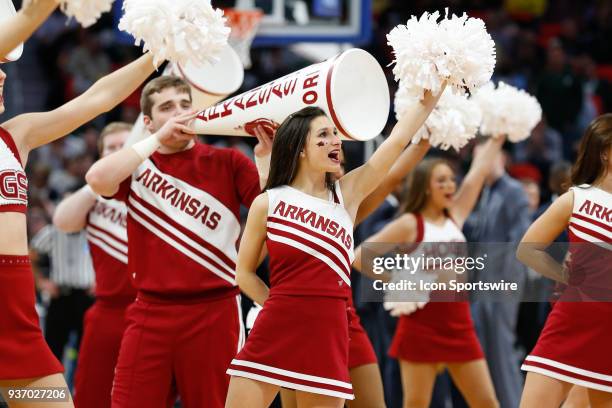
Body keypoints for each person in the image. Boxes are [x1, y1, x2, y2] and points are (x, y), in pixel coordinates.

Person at [224, 87, 442, 408]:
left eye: (336, 134)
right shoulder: (267, 202)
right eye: (323, 135)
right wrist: (278, 306)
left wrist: (432, 95)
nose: (335, 141)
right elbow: (244, 274)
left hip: (329, 330)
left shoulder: (347, 194)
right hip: (276, 325)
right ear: (300, 148)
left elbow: (396, 141)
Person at [85, 75, 273, 408]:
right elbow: (97, 178)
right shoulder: (139, 167)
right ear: (148, 121)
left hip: (215, 310)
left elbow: (274, 214)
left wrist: (264, 161)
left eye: (185, 105)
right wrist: (154, 140)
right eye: (167, 107)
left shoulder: (227, 160)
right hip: (149, 310)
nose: (179, 113)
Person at [0, 32, 155, 403]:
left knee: (47, 399)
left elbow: (96, 100)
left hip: (15, 306)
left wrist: (159, 55)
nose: (3, 76)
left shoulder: (14, 135)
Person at [353, 136, 506, 408]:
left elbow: (478, 172)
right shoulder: (411, 224)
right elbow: (360, 257)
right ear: (425, 188)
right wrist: (398, 280)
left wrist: (498, 136)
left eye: (451, 179)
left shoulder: (455, 215)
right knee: (416, 404)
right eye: (441, 181)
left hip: (459, 323)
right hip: (421, 325)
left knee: (487, 402)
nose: (450, 185)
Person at [517, 113, 612, 407]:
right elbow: (527, 249)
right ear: (606, 152)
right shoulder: (577, 198)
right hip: (570, 322)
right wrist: (565, 275)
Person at [53, 122, 134, 408]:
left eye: (124, 146)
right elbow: (62, 221)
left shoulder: (160, 192)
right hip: (106, 310)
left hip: (152, 311)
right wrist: (98, 183)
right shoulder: (93, 197)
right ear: (99, 156)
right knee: (91, 395)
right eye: (110, 148)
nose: (117, 153)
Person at [462, 141, 532, 408]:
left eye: (485, 157)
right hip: (482, 287)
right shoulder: (487, 191)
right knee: (487, 357)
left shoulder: (513, 191)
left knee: (502, 356)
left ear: (500, 158)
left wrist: (507, 289)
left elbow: (520, 243)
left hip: (501, 288)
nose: (479, 164)